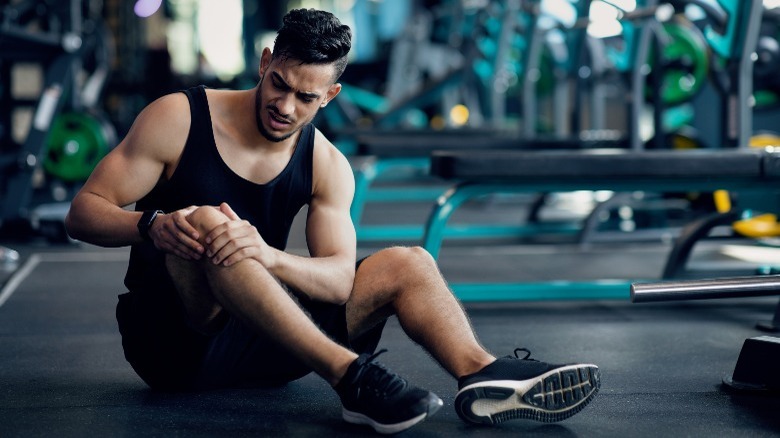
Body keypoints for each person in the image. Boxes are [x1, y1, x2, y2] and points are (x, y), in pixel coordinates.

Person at [65, 8, 600, 434]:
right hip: (177, 346)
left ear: (331, 95)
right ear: (265, 61)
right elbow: (82, 212)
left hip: (274, 343)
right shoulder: (179, 118)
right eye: (279, 84)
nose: (286, 107)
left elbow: (341, 279)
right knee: (210, 225)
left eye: (306, 97)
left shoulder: (326, 163)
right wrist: (150, 225)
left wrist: (268, 254)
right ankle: (352, 378)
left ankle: (482, 376)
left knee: (408, 262)